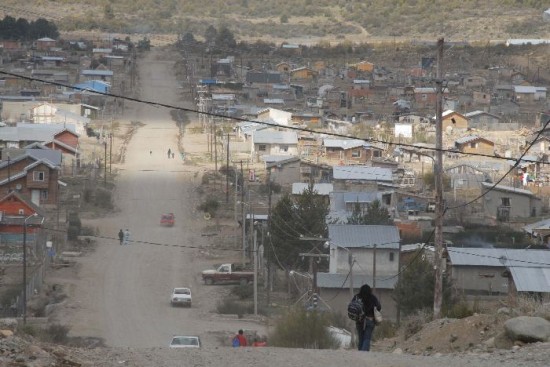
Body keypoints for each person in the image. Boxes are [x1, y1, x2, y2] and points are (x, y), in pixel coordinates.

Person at [353, 284, 381, 351]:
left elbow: (352, 307)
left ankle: (360, 354)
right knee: (367, 338)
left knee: (361, 338)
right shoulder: (373, 298)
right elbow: (379, 307)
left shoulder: (357, 297)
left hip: (359, 320)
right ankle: (364, 354)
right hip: (370, 320)